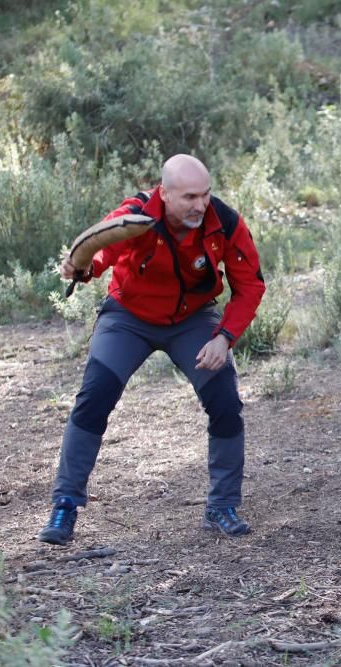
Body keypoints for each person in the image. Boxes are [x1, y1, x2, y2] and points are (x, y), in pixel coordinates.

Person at [38, 154, 266, 544]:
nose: (200, 205)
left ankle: (222, 506)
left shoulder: (224, 222)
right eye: (190, 197)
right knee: (94, 397)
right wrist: (83, 267)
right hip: (129, 316)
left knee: (225, 399)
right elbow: (100, 249)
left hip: (193, 320)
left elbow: (251, 286)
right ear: (165, 193)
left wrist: (224, 337)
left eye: (206, 195)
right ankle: (65, 505)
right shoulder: (137, 213)